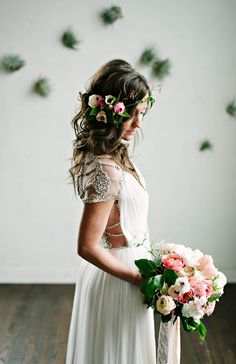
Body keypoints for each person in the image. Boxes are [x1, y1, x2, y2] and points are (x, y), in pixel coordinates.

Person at [65, 59, 158, 364]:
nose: (138, 124)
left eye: (141, 114)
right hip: (119, 276)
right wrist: (135, 278)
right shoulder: (107, 167)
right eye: (131, 114)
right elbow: (87, 245)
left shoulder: (116, 157)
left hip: (130, 269)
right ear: (109, 112)